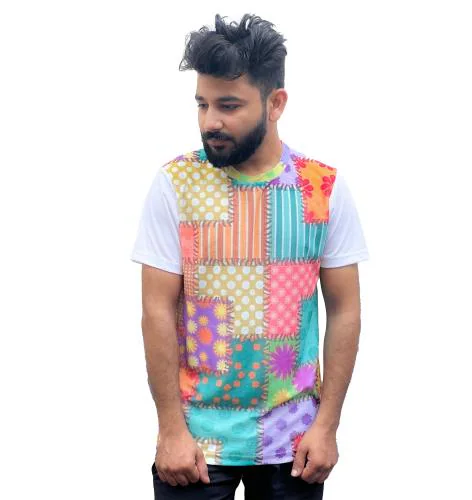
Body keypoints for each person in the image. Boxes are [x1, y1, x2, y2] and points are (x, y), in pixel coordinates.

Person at [130, 13, 369, 500]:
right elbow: (156, 310)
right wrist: (170, 429)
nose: (210, 121)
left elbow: (345, 309)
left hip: (294, 443)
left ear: (276, 103)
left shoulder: (321, 188)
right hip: (197, 444)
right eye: (202, 104)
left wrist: (327, 426)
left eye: (229, 105)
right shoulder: (176, 184)